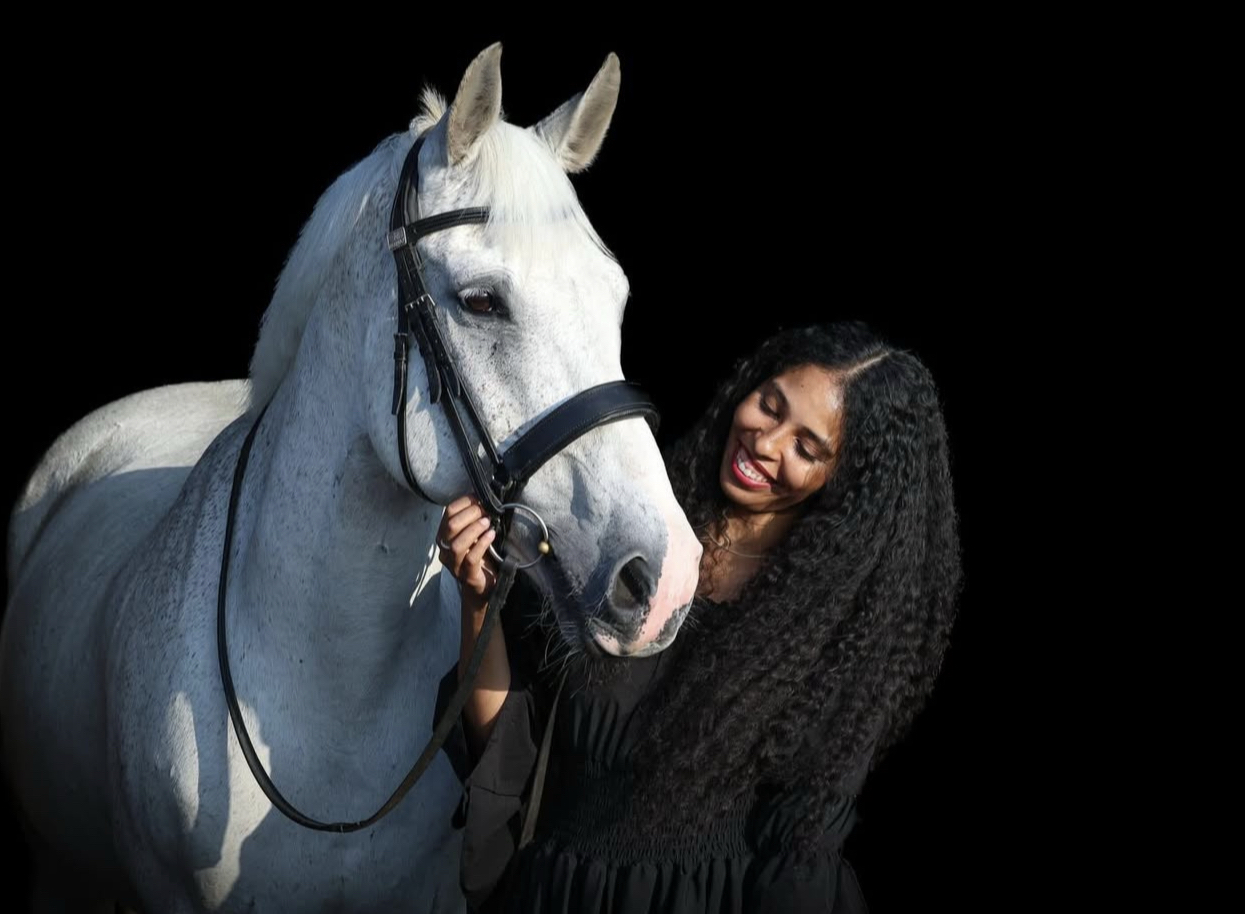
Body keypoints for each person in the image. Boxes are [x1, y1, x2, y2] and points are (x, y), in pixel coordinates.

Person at [434, 321, 962, 913]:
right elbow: (505, 752)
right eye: (770, 405)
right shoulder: (631, 540)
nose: (767, 442)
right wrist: (478, 600)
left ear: (841, 480)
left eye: (806, 448)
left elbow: (796, 869)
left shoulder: (831, 644)